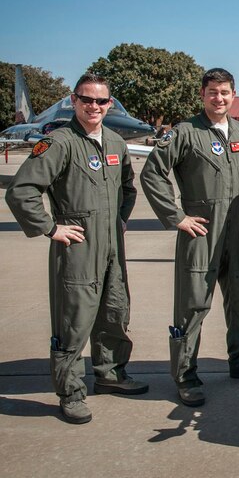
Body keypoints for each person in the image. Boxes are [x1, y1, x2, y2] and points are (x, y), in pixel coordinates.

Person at [6, 73, 148, 424]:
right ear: (74, 100)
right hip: (78, 244)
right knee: (75, 319)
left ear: (109, 104)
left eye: (101, 101)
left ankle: (111, 374)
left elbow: (128, 188)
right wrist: (51, 228)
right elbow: (21, 190)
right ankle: (70, 391)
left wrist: (121, 220)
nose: (94, 106)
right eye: (87, 100)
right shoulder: (59, 143)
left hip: (112, 243)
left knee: (114, 310)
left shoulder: (115, 142)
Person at [140, 68, 239, 407]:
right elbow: (153, 173)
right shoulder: (184, 133)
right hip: (200, 230)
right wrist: (176, 217)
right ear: (203, 94)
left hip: (236, 230)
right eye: (213, 92)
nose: (219, 98)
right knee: (193, 304)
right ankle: (185, 374)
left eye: (225, 92)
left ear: (233, 95)